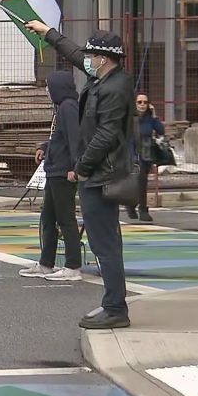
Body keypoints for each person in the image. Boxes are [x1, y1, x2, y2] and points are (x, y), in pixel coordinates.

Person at [26, 22, 134, 330]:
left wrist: (81, 168)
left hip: (101, 175)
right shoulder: (101, 80)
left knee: (105, 243)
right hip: (95, 174)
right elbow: (74, 54)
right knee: (104, 242)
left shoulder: (114, 88)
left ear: (104, 58)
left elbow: (105, 135)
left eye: (92, 54)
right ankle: (112, 302)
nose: (86, 58)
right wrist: (48, 33)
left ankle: (115, 306)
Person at [18, 70, 83, 282]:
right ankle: (46, 263)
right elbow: (59, 136)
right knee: (48, 218)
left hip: (63, 171)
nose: (47, 91)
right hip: (54, 168)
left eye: (49, 86)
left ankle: (73, 266)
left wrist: (76, 167)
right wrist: (46, 147)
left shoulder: (69, 108)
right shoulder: (61, 108)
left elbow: (74, 139)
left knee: (65, 219)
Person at [128, 93, 164, 223]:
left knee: (141, 183)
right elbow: (128, 139)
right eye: (139, 102)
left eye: (145, 102)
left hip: (147, 155)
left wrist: (154, 116)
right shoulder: (131, 119)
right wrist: (131, 156)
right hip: (134, 155)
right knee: (140, 183)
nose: (142, 105)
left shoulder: (150, 119)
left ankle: (132, 205)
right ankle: (142, 210)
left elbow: (161, 130)